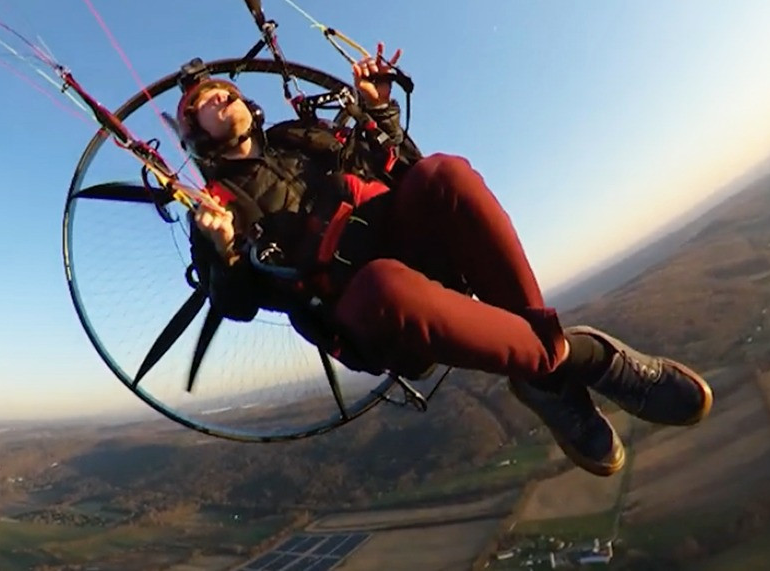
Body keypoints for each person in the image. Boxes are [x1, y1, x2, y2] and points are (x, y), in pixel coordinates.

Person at [179, 45, 712, 476]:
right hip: (370, 313)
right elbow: (238, 304)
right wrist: (224, 250)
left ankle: (543, 376)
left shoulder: (302, 137)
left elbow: (405, 169)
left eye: (227, 90)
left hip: (417, 252)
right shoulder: (215, 207)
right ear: (196, 130)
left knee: (444, 174)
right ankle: (588, 360)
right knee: (384, 285)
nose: (222, 97)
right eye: (208, 101)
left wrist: (378, 112)